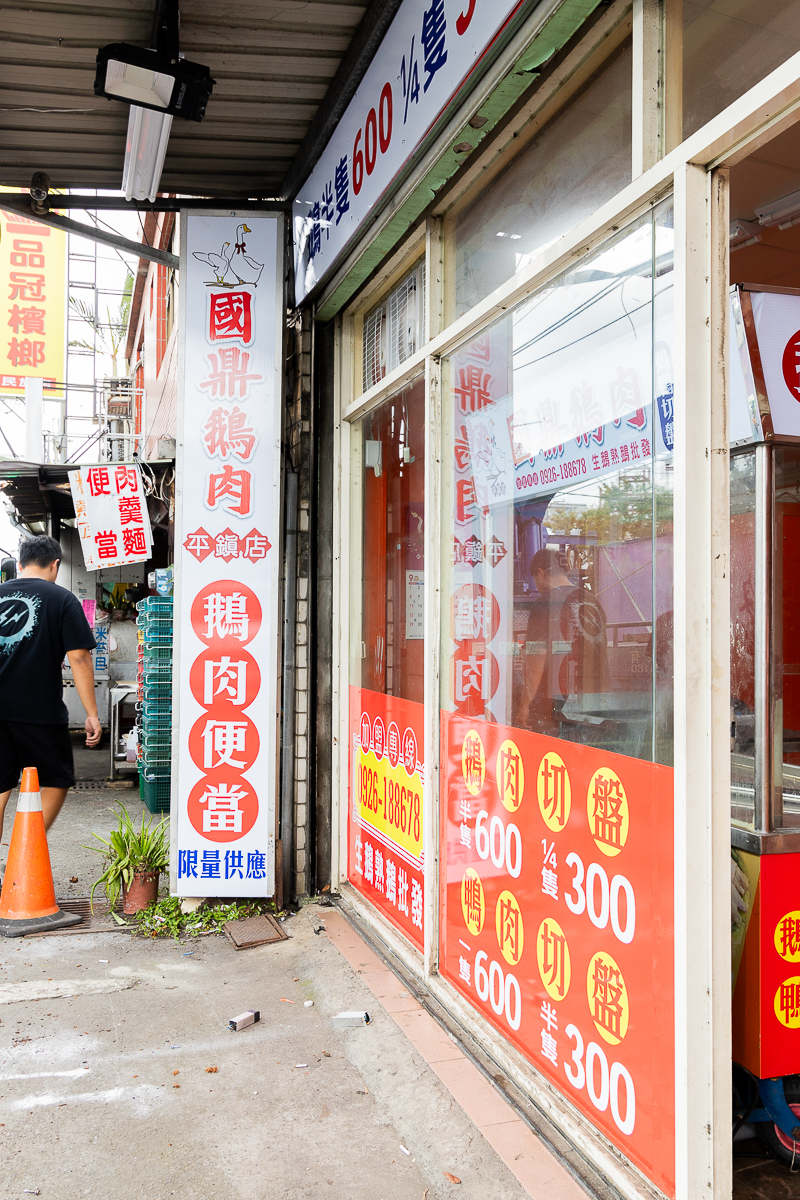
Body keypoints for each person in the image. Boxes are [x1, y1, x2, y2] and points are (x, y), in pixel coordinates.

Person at [0, 534, 101, 840]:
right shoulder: (62, 599)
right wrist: (92, 713)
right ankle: (23, 852)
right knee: (56, 779)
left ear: (19, 564)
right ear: (55, 565)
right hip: (38, 710)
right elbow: (80, 659)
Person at [516, 547, 610, 735]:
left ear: (540, 574)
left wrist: (524, 706)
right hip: (595, 701)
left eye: (535, 578)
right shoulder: (592, 601)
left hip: (556, 707)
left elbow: (536, 658)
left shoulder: (545, 603)